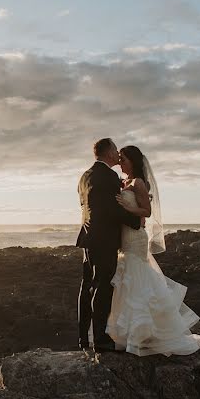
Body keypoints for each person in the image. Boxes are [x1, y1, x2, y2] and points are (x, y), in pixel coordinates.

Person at [108, 145, 200, 357]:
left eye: (123, 158)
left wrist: (127, 209)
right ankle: (129, 335)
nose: (120, 162)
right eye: (119, 159)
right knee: (128, 281)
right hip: (124, 238)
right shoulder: (123, 182)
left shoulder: (138, 183)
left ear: (133, 161)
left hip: (135, 239)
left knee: (137, 279)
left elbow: (147, 211)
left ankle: (142, 336)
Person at [76, 138, 143, 353]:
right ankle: (101, 340)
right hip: (104, 239)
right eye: (115, 150)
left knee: (87, 287)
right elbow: (111, 209)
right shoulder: (109, 176)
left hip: (88, 238)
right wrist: (135, 222)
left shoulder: (85, 176)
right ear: (108, 152)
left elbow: (88, 208)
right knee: (103, 287)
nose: (118, 153)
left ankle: (83, 339)